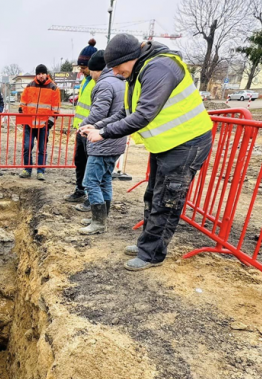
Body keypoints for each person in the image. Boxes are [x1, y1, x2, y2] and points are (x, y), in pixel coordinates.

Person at [80, 34, 213, 271]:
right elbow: (127, 112)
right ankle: (147, 245)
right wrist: (99, 126)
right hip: (168, 144)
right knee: (153, 196)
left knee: (167, 201)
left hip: (187, 143)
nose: (117, 74)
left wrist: (105, 133)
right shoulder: (139, 71)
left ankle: (152, 254)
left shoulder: (159, 68)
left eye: (119, 68)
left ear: (130, 58)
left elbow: (143, 115)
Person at [76, 50, 126, 235]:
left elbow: (98, 113)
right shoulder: (120, 82)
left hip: (104, 141)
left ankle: (98, 223)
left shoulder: (104, 84)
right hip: (116, 139)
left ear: (96, 69)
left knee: (90, 181)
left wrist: (83, 126)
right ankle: (101, 218)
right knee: (105, 180)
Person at [66, 39, 97, 209]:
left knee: (91, 165)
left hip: (91, 131)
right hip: (81, 130)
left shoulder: (97, 82)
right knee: (80, 161)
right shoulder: (86, 80)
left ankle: (92, 198)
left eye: (83, 67)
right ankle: (80, 189)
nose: (81, 70)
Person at [19, 64, 60, 181]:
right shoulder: (29, 86)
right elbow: (22, 105)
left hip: (43, 125)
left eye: (43, 73)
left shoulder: (53, 88)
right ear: (36, 74)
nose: (41, 76)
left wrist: (50, 123)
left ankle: (40, 171)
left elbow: (55, 108)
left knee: (42, 149)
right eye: (39, 73)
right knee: (27, 147)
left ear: (46, 74)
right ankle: (27, 169)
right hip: (29, 123)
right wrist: (23, 121)